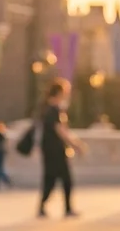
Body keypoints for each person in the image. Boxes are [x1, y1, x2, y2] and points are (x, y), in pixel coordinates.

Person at [38, 78, 82, 219]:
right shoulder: (53, 110)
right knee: (65, 178)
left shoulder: (48, 108)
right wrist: (76, 144)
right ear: (59, 92)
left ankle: (42, 207)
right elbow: (60, 130)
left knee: (51, 178)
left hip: (50, 149)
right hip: (55, 150)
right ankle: (65, 209)